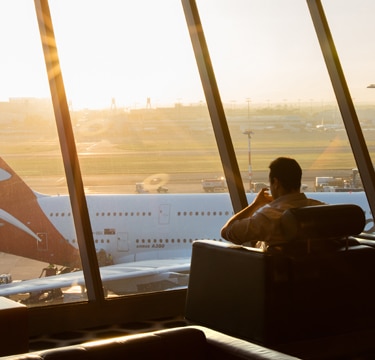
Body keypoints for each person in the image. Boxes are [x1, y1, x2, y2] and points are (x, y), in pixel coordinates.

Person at [221, 157, 324, 249]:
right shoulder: (322, 210)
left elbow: (227, 232)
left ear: (276, 183)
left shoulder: (269, 217)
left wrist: (255, 205)